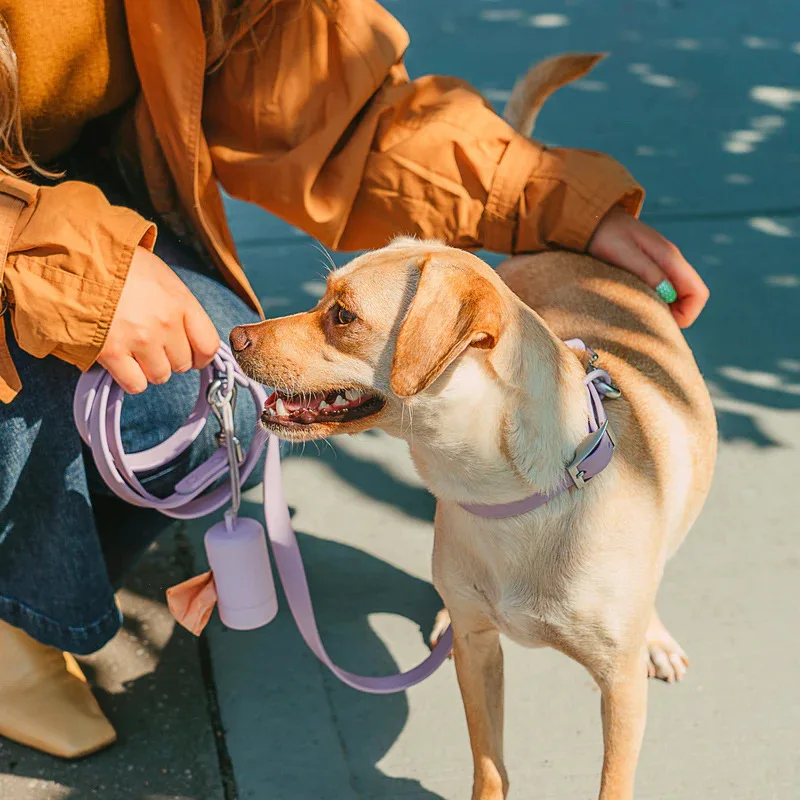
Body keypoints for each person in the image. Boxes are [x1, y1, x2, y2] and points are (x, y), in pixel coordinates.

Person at [0, 0, 708, 759]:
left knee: (214, 389)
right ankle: (19, 610)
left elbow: (332, 106)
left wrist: (548, 201)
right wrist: (59, 268)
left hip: (75, 189)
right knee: (144, 377)